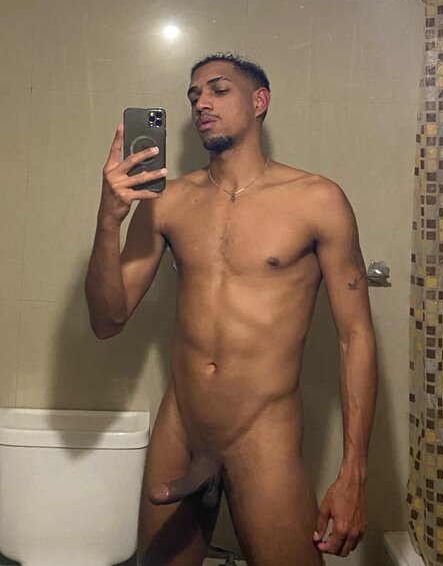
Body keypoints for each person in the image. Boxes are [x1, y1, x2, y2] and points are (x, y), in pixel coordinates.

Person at [85, 52, 377, 566]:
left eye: (218, 90)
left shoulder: (317, 199)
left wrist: (354, 472)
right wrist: (108, 220)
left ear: (259, 101)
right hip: (182, 425)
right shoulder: (166, 201)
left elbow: (355, 337)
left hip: (262, 432)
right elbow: (107, 321)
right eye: (194, 95)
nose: (201, 102)